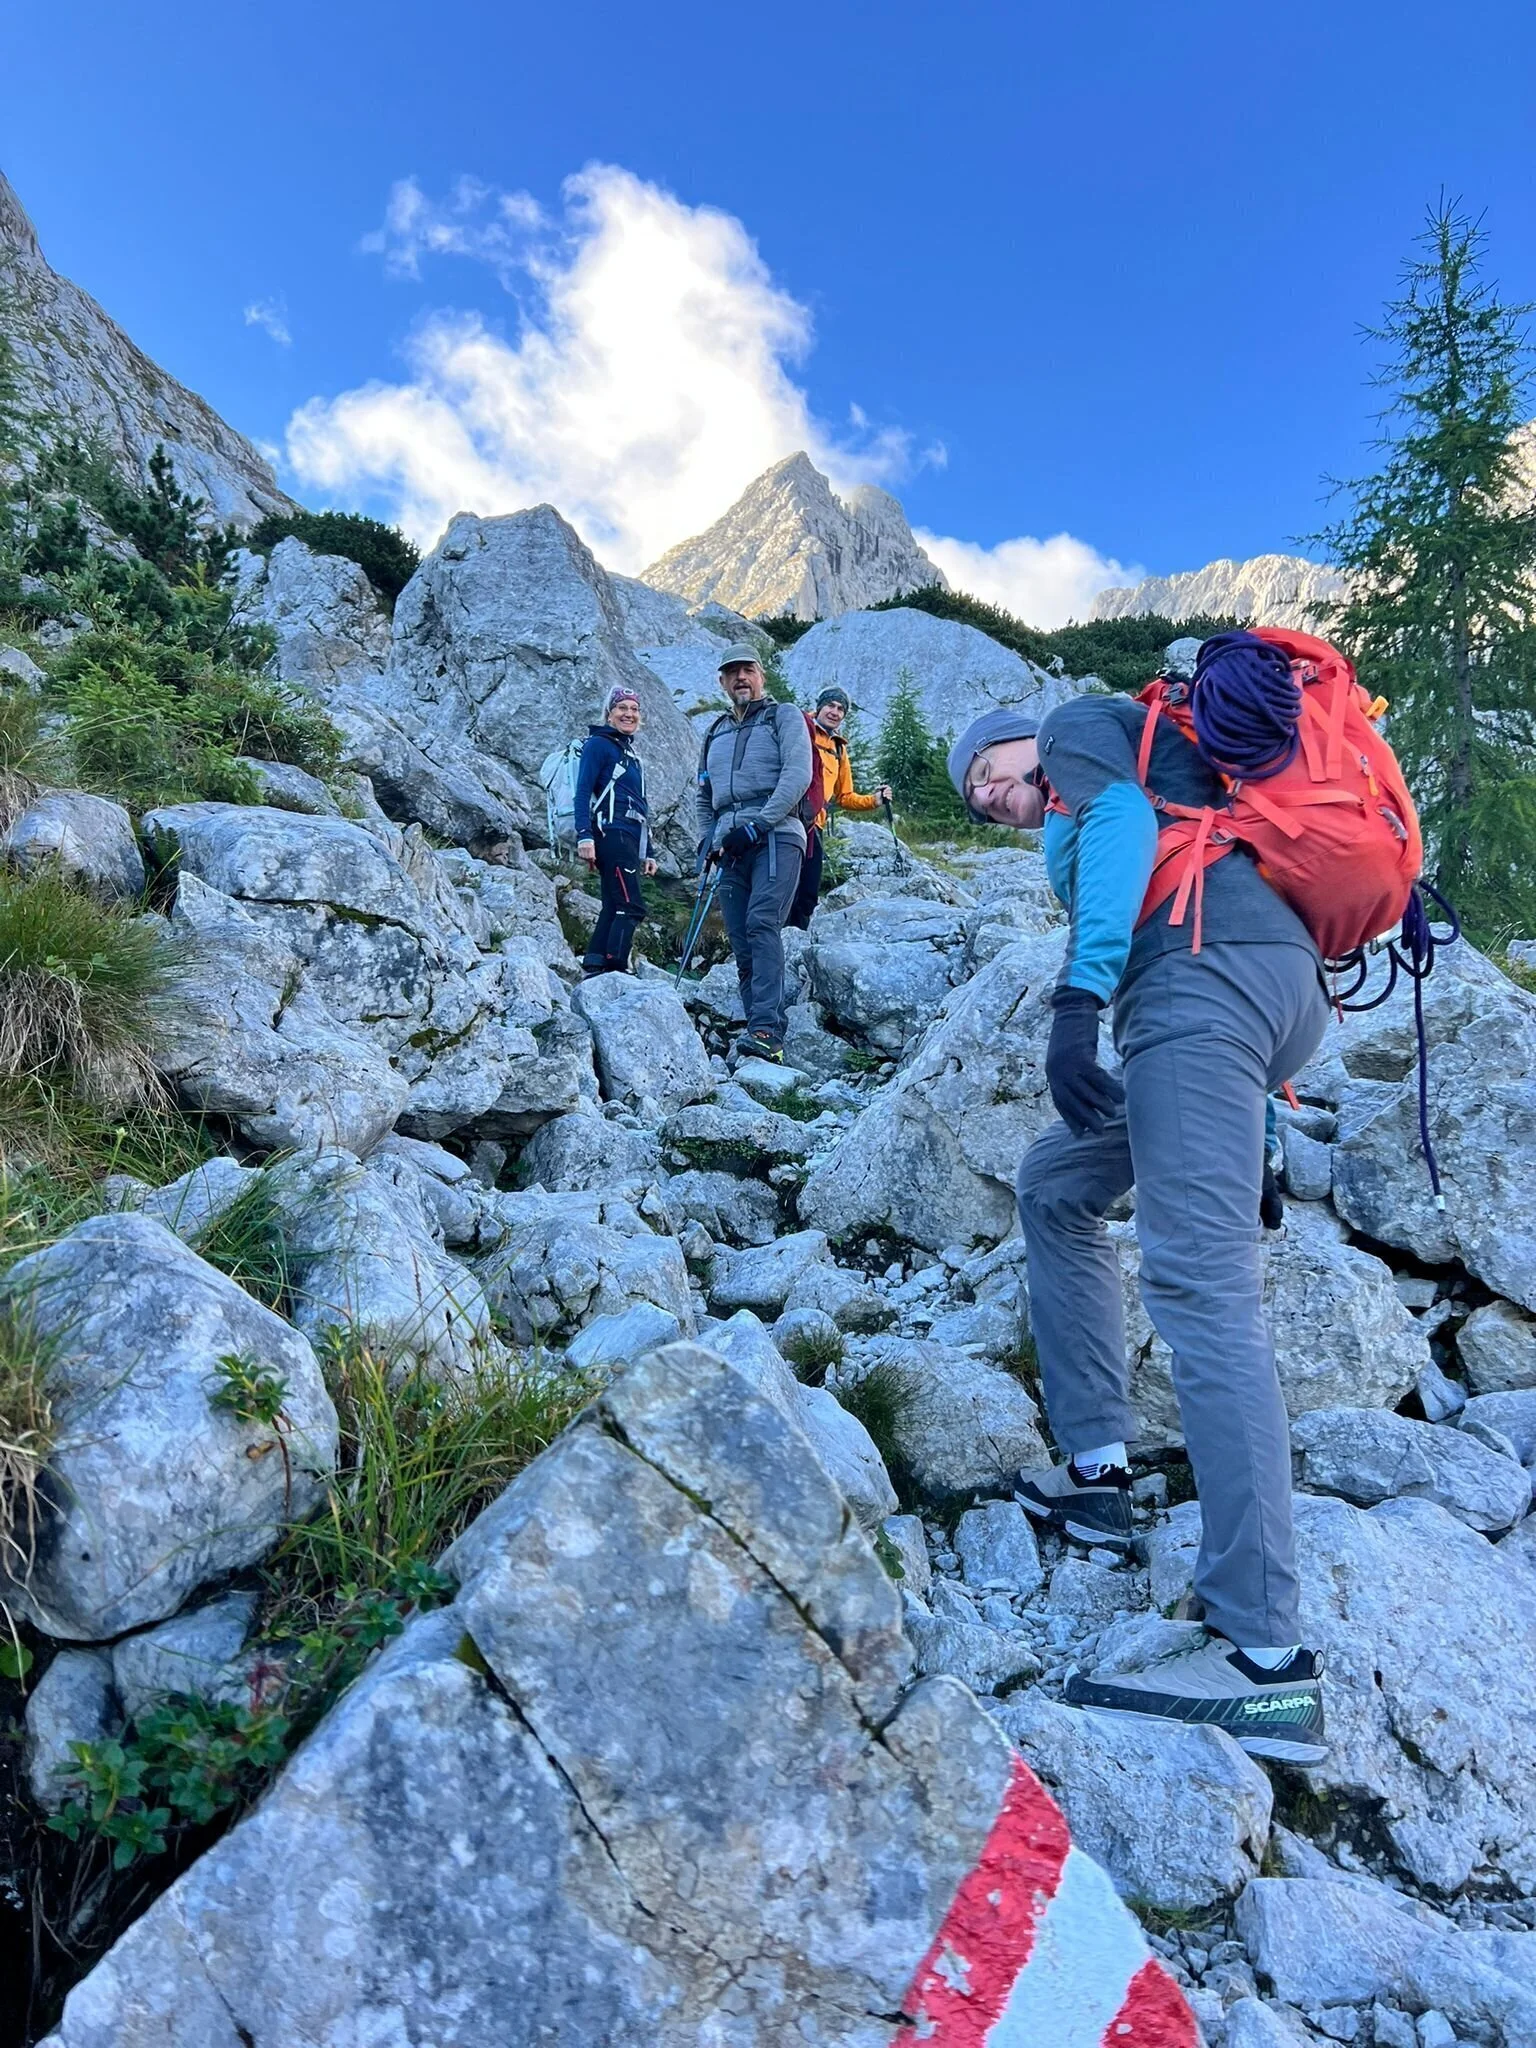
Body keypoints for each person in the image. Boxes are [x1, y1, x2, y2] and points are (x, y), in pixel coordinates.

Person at [947, 635, 1331, 1767]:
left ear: (1022, 738)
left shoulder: (1077, 728)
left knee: (1202, 1288)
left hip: (1199, 980)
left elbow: (1122, 829)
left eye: (990, 772)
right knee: (1055, 1183)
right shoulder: (1151, 758)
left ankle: (1265, 1659)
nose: (991, 797)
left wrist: (1078, 998)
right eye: (976, 801)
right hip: (1256, 988)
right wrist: (1258, 1139)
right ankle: (1098, 1474)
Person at [695, 643, 812, 1061]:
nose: (741, 678)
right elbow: (704, 794)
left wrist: (758, 824)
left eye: (748, 670)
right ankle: (754, 1028)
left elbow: (798, 774)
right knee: (741, 937)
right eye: (732, 672)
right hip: (730, 843)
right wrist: (709, 839)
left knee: (762, 922)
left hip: (777, 834)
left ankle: (767, 1031)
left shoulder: (784, 716)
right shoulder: (714, 731)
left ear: (761, 676)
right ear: (722, 682)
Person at [786, 687, 893, 929]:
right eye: (830, 705)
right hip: (788, 818)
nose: (835, 712)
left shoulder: (839, 749)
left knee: (808, 892)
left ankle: (795, 940)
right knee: (783, 886)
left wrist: (875, 800)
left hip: (814, 825)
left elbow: (845, 796)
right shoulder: (799, 728)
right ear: (820, 707)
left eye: (841, 709)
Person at [574, 684, 656, 977]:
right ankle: (616, 967)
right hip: (611, 834)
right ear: (609, 714)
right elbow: (583, 791)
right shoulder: (598, 745)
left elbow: (641, 805)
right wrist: (584, 835)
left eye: (634, 709)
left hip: (629, 836)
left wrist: (649, 852)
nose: (628, 714)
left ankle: (595, 963)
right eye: (621, 708)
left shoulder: (629, 754)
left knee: (612, 903)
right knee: (631, 906)